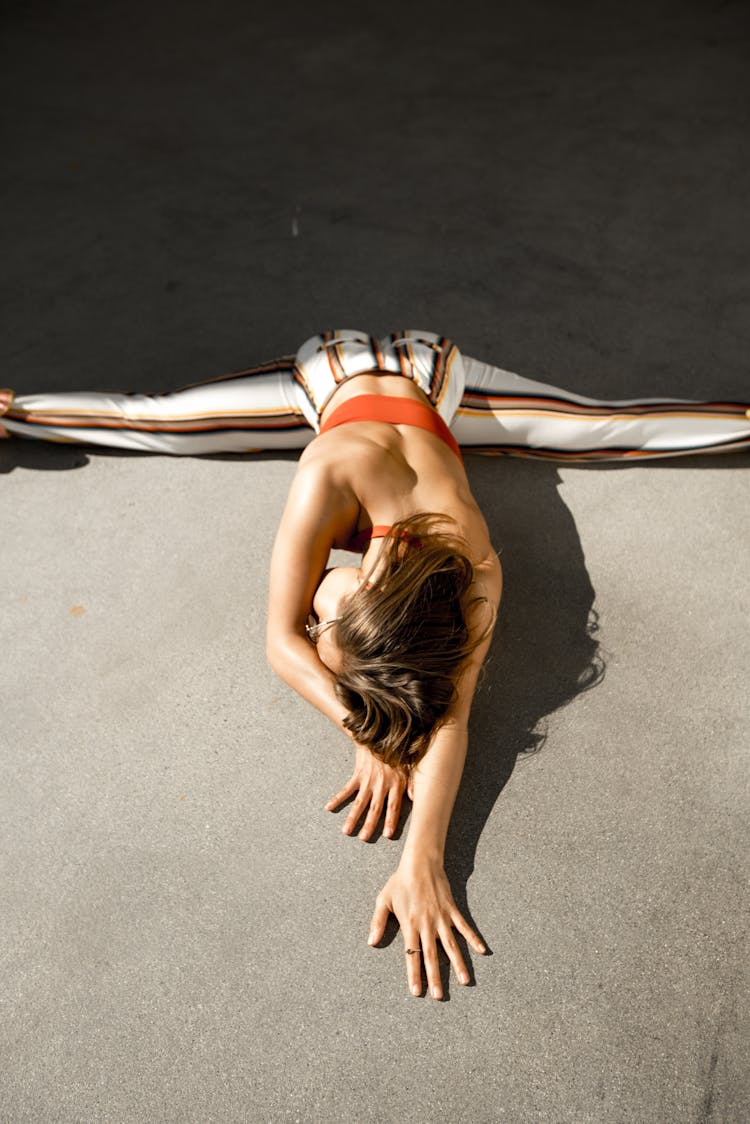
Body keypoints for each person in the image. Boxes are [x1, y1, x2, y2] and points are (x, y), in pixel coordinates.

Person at [3, 329, 749, 1000]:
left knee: (609, 428)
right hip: (336, 370)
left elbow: (451, 714)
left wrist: (426, 858)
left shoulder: (475, 560)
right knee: (149, 420)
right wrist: (366, 729)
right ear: (364, 587)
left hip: (436, 377)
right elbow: (279, 641)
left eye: (324, 617)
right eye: (329, 617)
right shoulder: (325, 475)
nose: (317, 617)